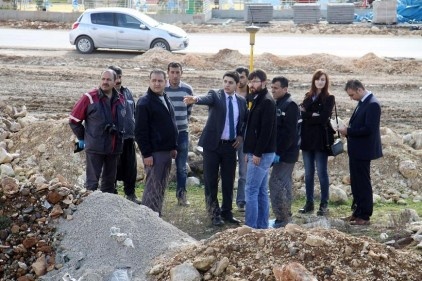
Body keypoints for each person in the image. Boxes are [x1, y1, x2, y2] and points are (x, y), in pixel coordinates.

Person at [184, 71, 247, 226]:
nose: (227, 84)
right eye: (225, 81)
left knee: (228, 181)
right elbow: (206, 98)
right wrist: (195, 99)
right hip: (212, 146)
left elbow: (243, 122)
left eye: (230, 82)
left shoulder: (240, 101)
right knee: (211, 181)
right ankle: (214, 213)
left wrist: (240, 136)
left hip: (230, 147)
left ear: (236, 84)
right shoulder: (216, 95)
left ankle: (227, 212)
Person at [69, 69, 125, 193]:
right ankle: (89, 210)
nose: (105, 82)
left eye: (108, 79)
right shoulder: (89, 97)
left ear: (115, 81)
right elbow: (74, 120)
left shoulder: (120, 98)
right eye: (103, 79)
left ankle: (106, 209)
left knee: (109, 183)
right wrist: (85, 138)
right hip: (95, 148)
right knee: (92, 184)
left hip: (114, 148)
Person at [338, 79, 382, 225]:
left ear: (359, 90)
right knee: (356, 182)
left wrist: (348, 131)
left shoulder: (373, 104)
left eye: (352, 95)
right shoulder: (363, 102)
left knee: (363, 182)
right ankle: (357, 212)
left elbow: (369, 129)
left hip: (363, 151)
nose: (351, 98)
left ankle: (364, 215)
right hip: (356, 150)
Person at [134, 70, 178, 216]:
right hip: (154, 153)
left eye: (160, 81)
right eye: (154, 80)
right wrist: (146, 154)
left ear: (165, 82)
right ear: (149, 81)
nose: (157, 83)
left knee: (161, 185)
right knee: (153, 186)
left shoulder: (165, 97)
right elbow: (140, 131)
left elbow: (171, 123)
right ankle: (148, 217)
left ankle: (156, 214)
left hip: (166, 151)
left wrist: (173, 147)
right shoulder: (144, 102)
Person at [243, 69, 276, 229]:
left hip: (261, 153)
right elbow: (251, 127)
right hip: (256, 151)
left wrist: (257, 153)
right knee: (261, 190)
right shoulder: (257, 98)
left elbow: (265, 131)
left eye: (255, 81)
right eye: (250, 81)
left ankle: (250, 228)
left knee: (250, 190)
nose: (251, 84)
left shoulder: (267, 102)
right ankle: (262, 226)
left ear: (264, 82)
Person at [299, 69, 335, 216]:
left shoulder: (329, 98)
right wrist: (310, 115)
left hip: (321, 140)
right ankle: (309, 203)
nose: (320, 82)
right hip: (307, 139)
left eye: (323, 80)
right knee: (308, 173)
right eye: (318, 79)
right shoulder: (308, 96)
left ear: (326, 82)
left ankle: (324, 204)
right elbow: (300, 111)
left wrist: (308, 116)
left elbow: (323, 118)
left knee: (321, 172)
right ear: (314, 81)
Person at [268, 76, 300, 228]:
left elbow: (290, 134)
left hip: (286, 153)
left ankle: (283, 217)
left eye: (276, 88)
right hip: (278, 151)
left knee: (277, 182)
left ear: (285, 89)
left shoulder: (290, 105)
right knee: (281, 183)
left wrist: (278, 152)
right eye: (272, 87)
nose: (272, 90)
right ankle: (283, 216)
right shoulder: (278, 103)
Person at [108, 65, 141, 204]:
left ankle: (130, 194)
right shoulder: (106, 94)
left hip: (128, 137)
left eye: (120, 76)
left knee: (130, 168)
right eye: (115, 77)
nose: (118, 80)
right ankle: (112, 195)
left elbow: (132, 113)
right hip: (113, 139)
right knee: (113, 168)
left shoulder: (127, 92)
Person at [165, 62, 194, 206]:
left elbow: (189, 111)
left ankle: (181, 196)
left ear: (181, 73)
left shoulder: (187, 89)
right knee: (162, 166)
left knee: (182, 167)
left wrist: (183, 123)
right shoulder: (162, 88)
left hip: (182, 133)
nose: (175, 75)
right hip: (165, 134)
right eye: (172, 72)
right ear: (168, 73)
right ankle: (159, 195)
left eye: (177, 72)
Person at [234, 66, 249, 212]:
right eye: (237, 77)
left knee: (244, 172)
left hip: (246, 138)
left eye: (242, 77)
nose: (239, 80)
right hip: (229, 138)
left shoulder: (252, 95)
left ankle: (241, 201)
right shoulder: (228, 93)